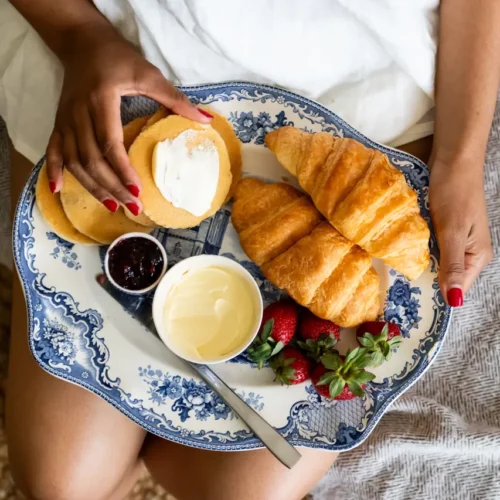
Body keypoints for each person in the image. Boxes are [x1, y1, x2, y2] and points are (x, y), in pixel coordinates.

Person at [2, 1, 498, 499]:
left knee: (240, 494)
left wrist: (460, 159)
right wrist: (77, 35)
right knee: (61, 482)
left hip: (361, 87)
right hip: (126, 50)